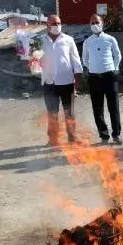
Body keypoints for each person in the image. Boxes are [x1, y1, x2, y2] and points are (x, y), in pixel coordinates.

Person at [40, 14, 83, 146]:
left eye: (58, 23)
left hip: (67, 81)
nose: (56, 26)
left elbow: (75, 59)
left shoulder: (68, 39)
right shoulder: (40, 40)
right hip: (49, 82)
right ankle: (53, 139)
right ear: (47, 25)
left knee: (69, 112)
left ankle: (72, 137)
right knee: (52, 113)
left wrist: (78, 76)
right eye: (53, 24)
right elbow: (34, 58)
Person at [82, 14, 122, 144]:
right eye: (92, 23)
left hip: (109, 76)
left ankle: (116, 134)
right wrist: (93, 68)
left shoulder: (110, 39)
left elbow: (117, 55)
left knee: (113, 106)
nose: (95, 25)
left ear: (102, 23)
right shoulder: (87, 41)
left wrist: (114, 68)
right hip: (94, 78)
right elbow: (85, 59)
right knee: (97, 108)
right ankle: (104, 134)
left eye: (97, 22)